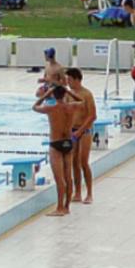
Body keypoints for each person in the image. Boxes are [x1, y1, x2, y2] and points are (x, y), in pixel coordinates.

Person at [33, 84, 78, 217]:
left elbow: (34, 106)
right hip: (68, 142)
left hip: (55, 144)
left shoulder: (50, 108)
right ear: (64, 94)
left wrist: (46, 95)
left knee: (59, 179)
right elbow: (82, 101)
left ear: (53, 95)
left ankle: (59, 208)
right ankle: (66, 207)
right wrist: (69, 92)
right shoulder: (71, 107)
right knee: (68, 177)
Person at [66, 67, 97, 205]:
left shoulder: (87, 94)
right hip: (72, 131)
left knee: (83, 162)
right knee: (74, 163)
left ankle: (89, 193)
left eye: (69, 80)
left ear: (77, 79)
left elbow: (92, 116)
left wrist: (80, 130)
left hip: (85, 131)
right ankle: (77, 192)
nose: (68, 82)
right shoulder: (69, 94)